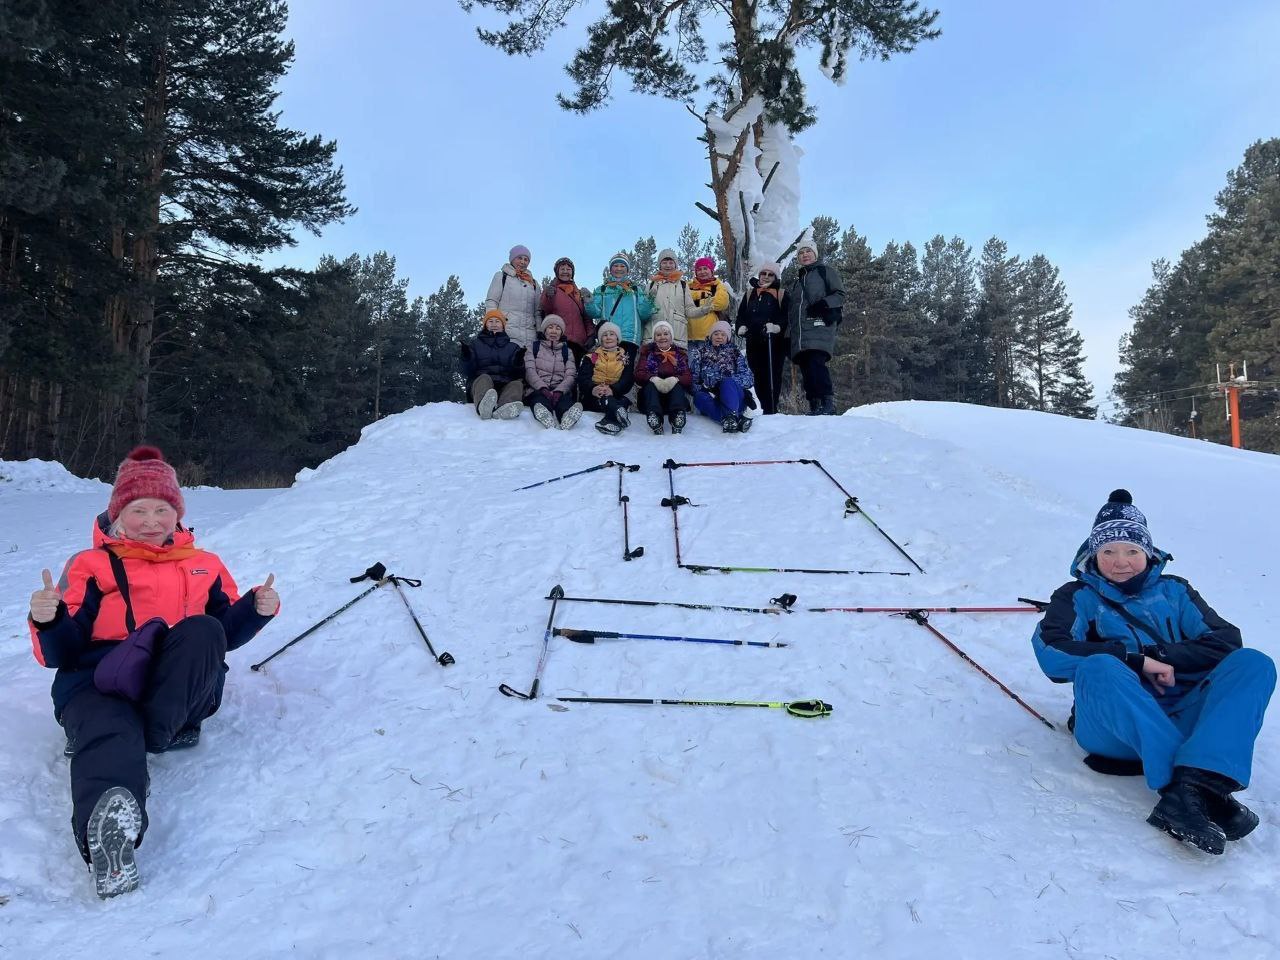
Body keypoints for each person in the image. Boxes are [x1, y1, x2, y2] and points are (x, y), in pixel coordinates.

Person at [27, 446, 279, 898]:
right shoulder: (89, 566)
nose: (151, 520)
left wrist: (256, 610)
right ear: (117, 515)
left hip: (175, 689)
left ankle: (155, 731)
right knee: (108, 728)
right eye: (138, 509)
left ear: (177, 515)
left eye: (162, 509)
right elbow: (59, 652)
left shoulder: (205, 564)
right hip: (99, 679)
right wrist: (48, 619)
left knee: (202, 630)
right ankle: (111, 843)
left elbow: (224, 634)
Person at [1031, 489, 1275, 856]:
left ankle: (1196, 785)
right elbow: (1053, 652)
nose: (1121, 561)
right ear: (1093, 553)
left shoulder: (1174, 591)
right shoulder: (1076, 597)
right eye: (1108, 551)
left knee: (1254, 663)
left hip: (1181, 713)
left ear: (1148, 552)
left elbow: (1225, 641)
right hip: (1113, 729)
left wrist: (1160, 653)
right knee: (1099, 667)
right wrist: (1137, 660)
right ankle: (1188, 785)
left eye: (1131, 550)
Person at [785, 242, 844, 415]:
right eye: (801, 253)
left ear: (815, 254)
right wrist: (789, 335)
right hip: (800, 334)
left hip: (819, 326)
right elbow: (792, 312)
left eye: (808, 251)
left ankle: (828, 402)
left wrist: (823, 304)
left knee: (816, 363)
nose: (804, 255)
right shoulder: (797, 282)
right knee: (806, 367)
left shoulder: (825, 271)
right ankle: (814, 404)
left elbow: (839, 294)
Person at [736, 261, 788, 415]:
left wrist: (777, 326)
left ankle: (772, 407)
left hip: (774, 342)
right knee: (757, 374)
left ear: (775, 277)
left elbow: (786, 316)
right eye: (763, 273)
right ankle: (765, 405)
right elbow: (741, 316)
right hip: (753, 340)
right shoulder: (749, 294)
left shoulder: (781, 294)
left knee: (773, 375)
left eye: (770, 274)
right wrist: (740, 327)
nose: (766, 277)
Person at [690, 320, 756, 433]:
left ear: (728, 337)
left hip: (733, 396)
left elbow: (748, 379)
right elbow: (693, 379)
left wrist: (723, 384)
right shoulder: (701, 353)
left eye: (723, 334)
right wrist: (705, 389)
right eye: (716, 334)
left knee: (727, 381)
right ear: (711, 336)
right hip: (712, 396)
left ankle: (730, 416)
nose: (719, 337)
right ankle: (734, 419)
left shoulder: (735, 353)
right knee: (699, 397)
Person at [461, 309, 525, 420]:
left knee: (517, 384)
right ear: (485, 325)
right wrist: (467, 357)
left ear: (503, 325)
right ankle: (484, 405)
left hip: (504, 385)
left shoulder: (513, 347)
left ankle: (505, 407)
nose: (494, 324)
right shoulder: (475, 344)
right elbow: (467, 371)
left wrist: (518, 362)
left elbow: (518, 374)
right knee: (484, 378)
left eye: (497, 321)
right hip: (481, 384)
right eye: (490, 321)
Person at [524, 315, 584, 430]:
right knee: (538, 399)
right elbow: (529, 371)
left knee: (565, 402)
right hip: (537, 388)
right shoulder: (533, 347)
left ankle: (567, 416)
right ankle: (544, 414)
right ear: (544, 330)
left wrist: (560, 391)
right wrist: (542, 388)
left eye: (557, 328)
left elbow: (570, 375)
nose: (553, 331)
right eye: (550, 327)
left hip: (559, 389)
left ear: (561, 332)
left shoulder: (567, 351)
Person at [578, 321, 637, 435]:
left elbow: (627, 379)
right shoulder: (591, 357)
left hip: (615, 394)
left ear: (617, 338)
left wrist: (613, 389)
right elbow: (583, 378)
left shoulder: (625, 358)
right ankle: (618, 410)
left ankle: (610, 421)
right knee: (611, 400)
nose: (608, 337)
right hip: (594, 396)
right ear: (600, 339)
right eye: (605, 335)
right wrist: (593, 388)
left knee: (614, 399)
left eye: (612, 334)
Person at [634, 319, 692, 435]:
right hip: (652, 399)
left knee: (677, 386)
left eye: (666, 334)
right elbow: (638, 374)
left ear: (671, 337)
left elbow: (687, 377)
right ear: (654, 338)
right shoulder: (647, 353)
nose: (662, 337)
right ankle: (655, 418)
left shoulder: (680, 354)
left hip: (673, 399)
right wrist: (653, 378)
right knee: (650, 385)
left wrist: (675, 379)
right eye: (658, 334)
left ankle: (677, 418)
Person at [585, 254, 653, 347]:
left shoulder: (636, 290)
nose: (619, 269)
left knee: (628, 362)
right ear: (610, 270)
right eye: (615, 266)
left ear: (628, 270)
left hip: (630, 338)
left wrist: (649, 301)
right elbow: (595, 313)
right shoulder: (602, 289)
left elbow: (644, 315)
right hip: (608, 337)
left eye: (622, 266)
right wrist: (589, 302)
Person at [484, 244, 540, 348]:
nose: (523, 262)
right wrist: (492, 325)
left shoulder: (534, 284)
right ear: (512, 259)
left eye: (526, 259)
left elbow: (537, 312)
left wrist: (540, 331)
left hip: (530, 337)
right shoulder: (501, 277)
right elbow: (492, 302)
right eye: (519, 258)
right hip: (506, 334)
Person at [539, 257, 593, 357]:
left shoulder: (578, 293)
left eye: (568, 269)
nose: (565, 272)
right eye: (562, 269)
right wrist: (548, 297)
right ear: (557, 272)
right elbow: (546, 310)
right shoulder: (551, 290)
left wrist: (591, 335)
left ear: (572, 272)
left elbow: (586, 317)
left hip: (579, 343)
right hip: (558, 340)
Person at [645, 248, 695, 346]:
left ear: (675, 265)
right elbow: (644, 311)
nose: (668, 265)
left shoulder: (683, 285)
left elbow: (689, 310)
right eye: (664, 262)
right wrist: (650, 299)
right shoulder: (651, 285)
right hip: (653, 337)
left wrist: (704, 309)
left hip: (677, 338)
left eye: (671, 262)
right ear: (659, 265)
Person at [686, 256, 731, 344]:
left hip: (710, 337)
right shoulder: (688, 286)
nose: (702, 272)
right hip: (689, 337)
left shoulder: (717, 285)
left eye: (705, 268)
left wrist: (695, 302)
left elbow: (722, 303)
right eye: (699, 269)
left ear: (711, 271)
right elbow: (681, 300)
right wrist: (702, 295)